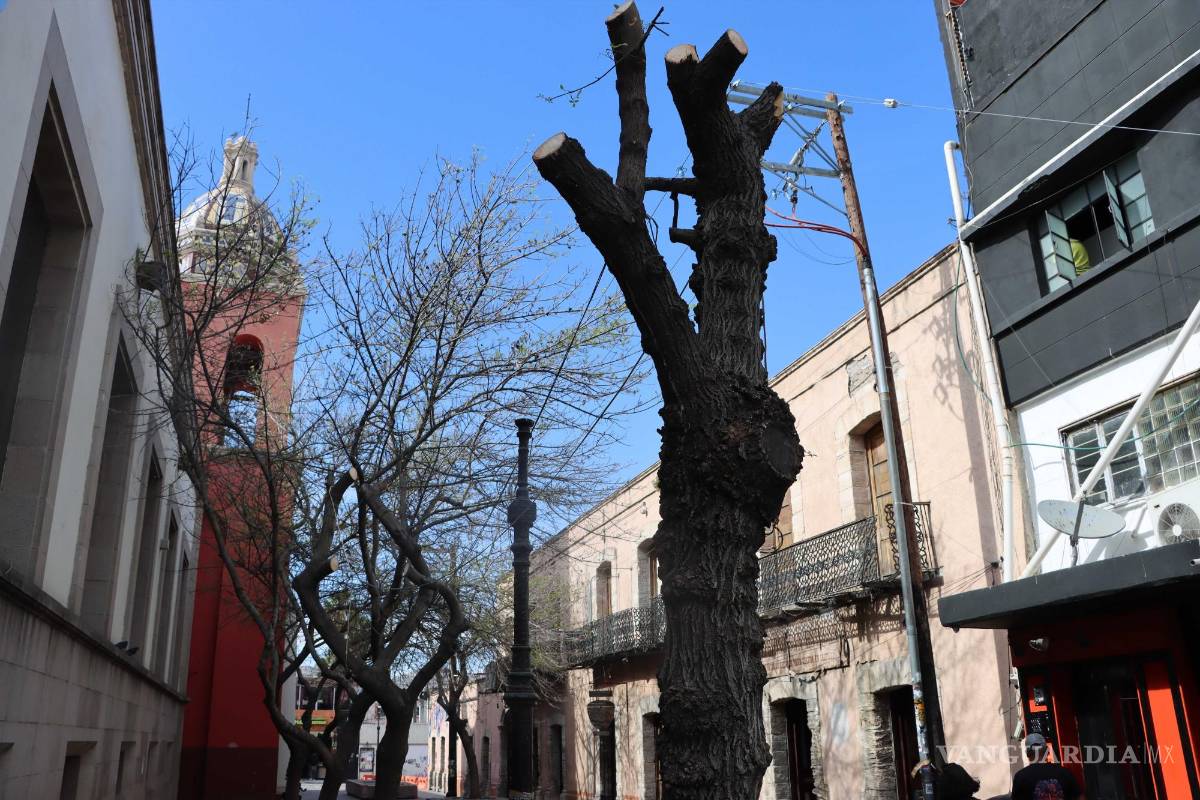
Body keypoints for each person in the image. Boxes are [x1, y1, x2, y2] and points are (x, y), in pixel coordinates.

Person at [1011, 733, 1083, 800]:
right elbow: (1080, 797)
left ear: (1027, 754)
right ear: (1047, 751)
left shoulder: (1020, 777)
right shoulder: (1065, 773)